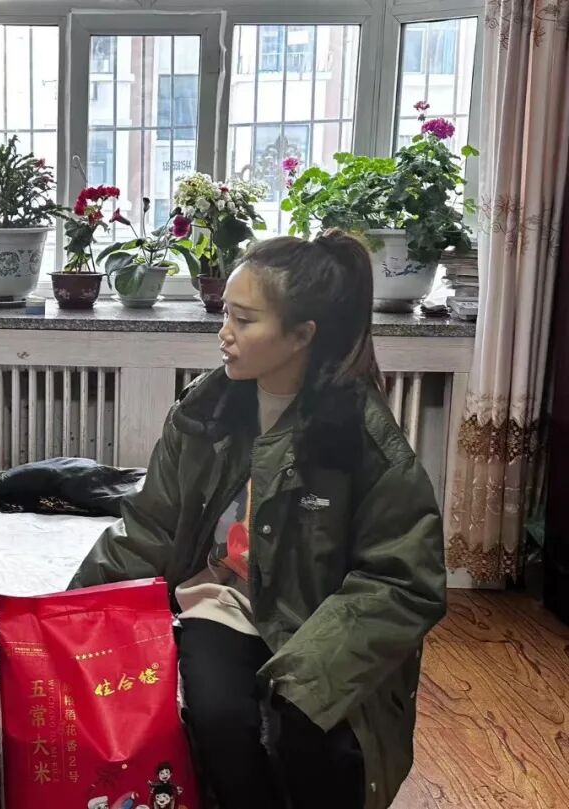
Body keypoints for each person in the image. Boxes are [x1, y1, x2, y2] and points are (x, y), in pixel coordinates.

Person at [69, 232, 446, 809]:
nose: (224, 333)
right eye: (226, 313)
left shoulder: (362, 438)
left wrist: (309, 674)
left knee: (313, 732)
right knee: (220, 718)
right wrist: (69, 610)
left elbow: (402, 580)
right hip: (224, 602)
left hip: (319, 619)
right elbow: (153, 523)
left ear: (302, 335)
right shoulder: (205, 412)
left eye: (244, 321)